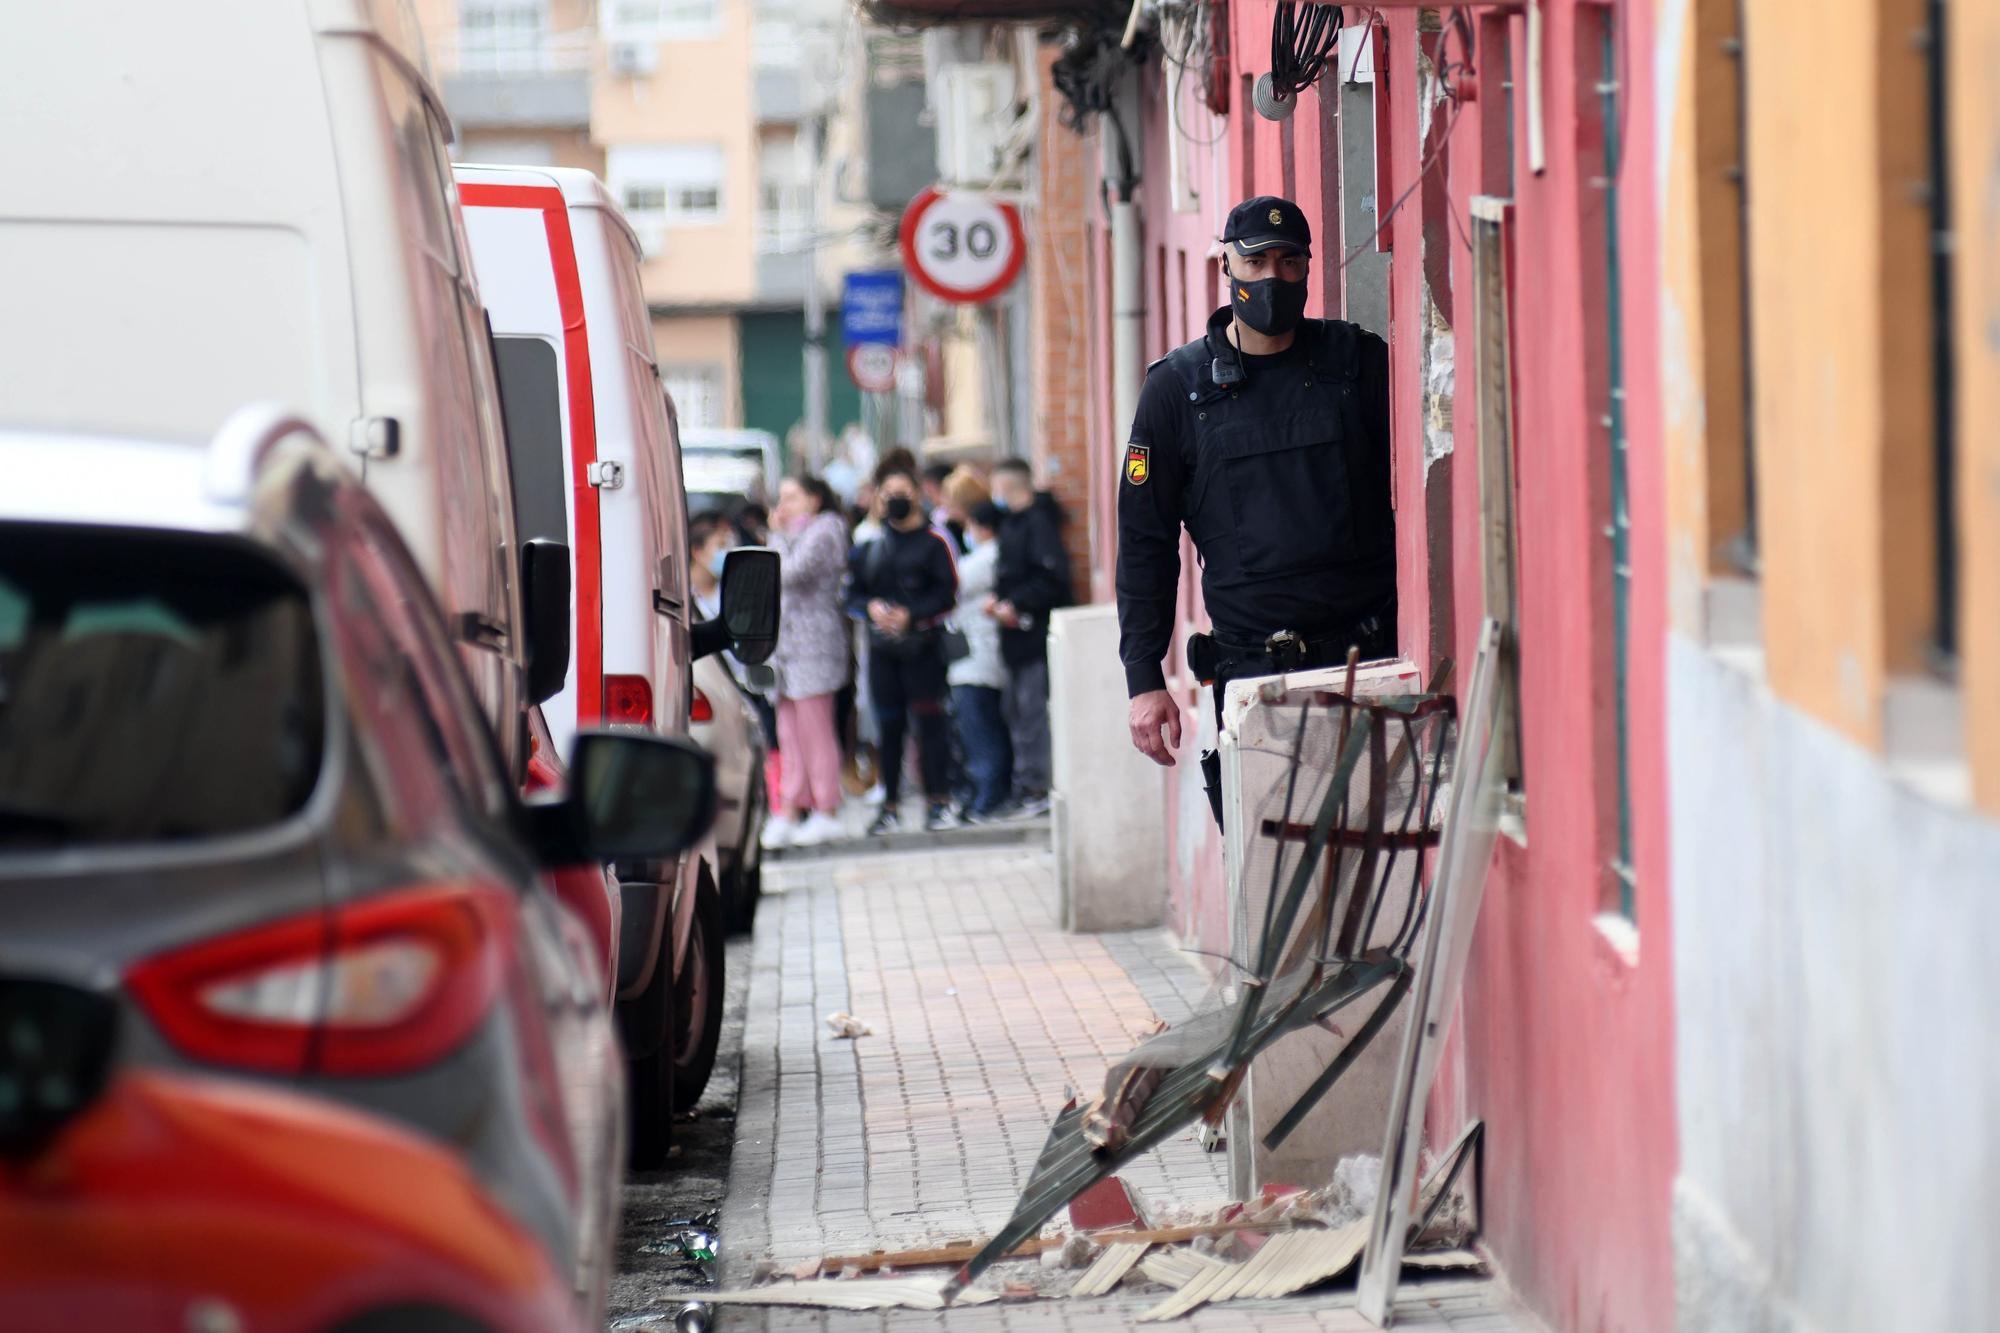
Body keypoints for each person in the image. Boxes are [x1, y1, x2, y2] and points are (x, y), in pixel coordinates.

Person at [1117, 195, 1395, 827]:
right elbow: (1145, 542)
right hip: (1255, 681)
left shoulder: (1355, 362)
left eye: (1289, 261)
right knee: (1274, 903)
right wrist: (1143, 677)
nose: (1272, 277)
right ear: (1228, 270)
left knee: (1381, 884)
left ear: (1307, 268)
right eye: (1256, 261)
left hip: (1371, 665)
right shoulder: (1176, 391)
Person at [845, 465, 960, 834]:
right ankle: (890, 805)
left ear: (917, 494)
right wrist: (873, 609)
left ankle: (938, 802)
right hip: (883, 652)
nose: (894, 499)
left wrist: (912, 615)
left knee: (930, 726)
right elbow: (852, 595)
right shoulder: (870, 547)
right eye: (887, 492)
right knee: (889, 728)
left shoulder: (934, 543)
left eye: (902, 491)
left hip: (923, 649)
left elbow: (948, 596)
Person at [762, 475, 851, 849]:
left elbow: (788, 572)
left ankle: (826, 807)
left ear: (815, 500)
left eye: (793, 497)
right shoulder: (793, 533)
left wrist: (778, 536)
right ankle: (791, 807)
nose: (784, 506)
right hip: (786, 649)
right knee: (789, 732)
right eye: (780, 498)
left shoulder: (827, 531)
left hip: (815, 646)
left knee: (816, 731)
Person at [988, 458, 1071, 818]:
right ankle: (1026, 785)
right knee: (1018, 714)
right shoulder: (1011, 524)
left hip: (1034, 635)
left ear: (1009, 487)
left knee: (1033, 715)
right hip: (1014, 639)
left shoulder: (1038, 524)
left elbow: (1052, 578)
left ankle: (1037, 788)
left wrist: (1015, 603)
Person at [948, 500, 1013, 821]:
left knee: (980, 730)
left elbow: (950, 584)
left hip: (977, 660)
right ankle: (985, 795)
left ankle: (988, 797)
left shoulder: (985, 559)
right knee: (981, 727)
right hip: (975, 658)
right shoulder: (989, 557)